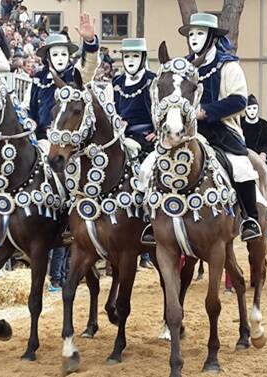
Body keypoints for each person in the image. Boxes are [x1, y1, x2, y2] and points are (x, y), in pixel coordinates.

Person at [183, 13, 261, 241]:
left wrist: (205, 112)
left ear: (212, 37)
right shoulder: (183, 66)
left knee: (241, 167)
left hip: (221, 131)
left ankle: (250, 218)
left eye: (200, 33)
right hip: (187, 131)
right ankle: (154, 220)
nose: (194, 38)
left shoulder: (228, 65)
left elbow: (239, 100)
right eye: (191, 33)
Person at [111, 38, 156, 269]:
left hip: (147, 138)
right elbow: (112, 109)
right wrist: (116, 122)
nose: (130, 61)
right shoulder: (117, 82)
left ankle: (150, 222)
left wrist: (158, 131)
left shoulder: (152, 80)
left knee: (147, 177)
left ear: (143, 59)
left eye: (135, 57)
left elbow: (160, 107)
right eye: (127, 56)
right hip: (122, 136)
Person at [29, 13, 99, 140]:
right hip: (43, 138)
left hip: (71, 140)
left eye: (63, 54)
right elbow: (31, 107)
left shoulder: (76, 74)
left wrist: (90, 43)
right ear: (48, 57)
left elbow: (90, 66)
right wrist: (30, 122)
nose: (60, 58)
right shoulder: (39, 78)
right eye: (55, 54)